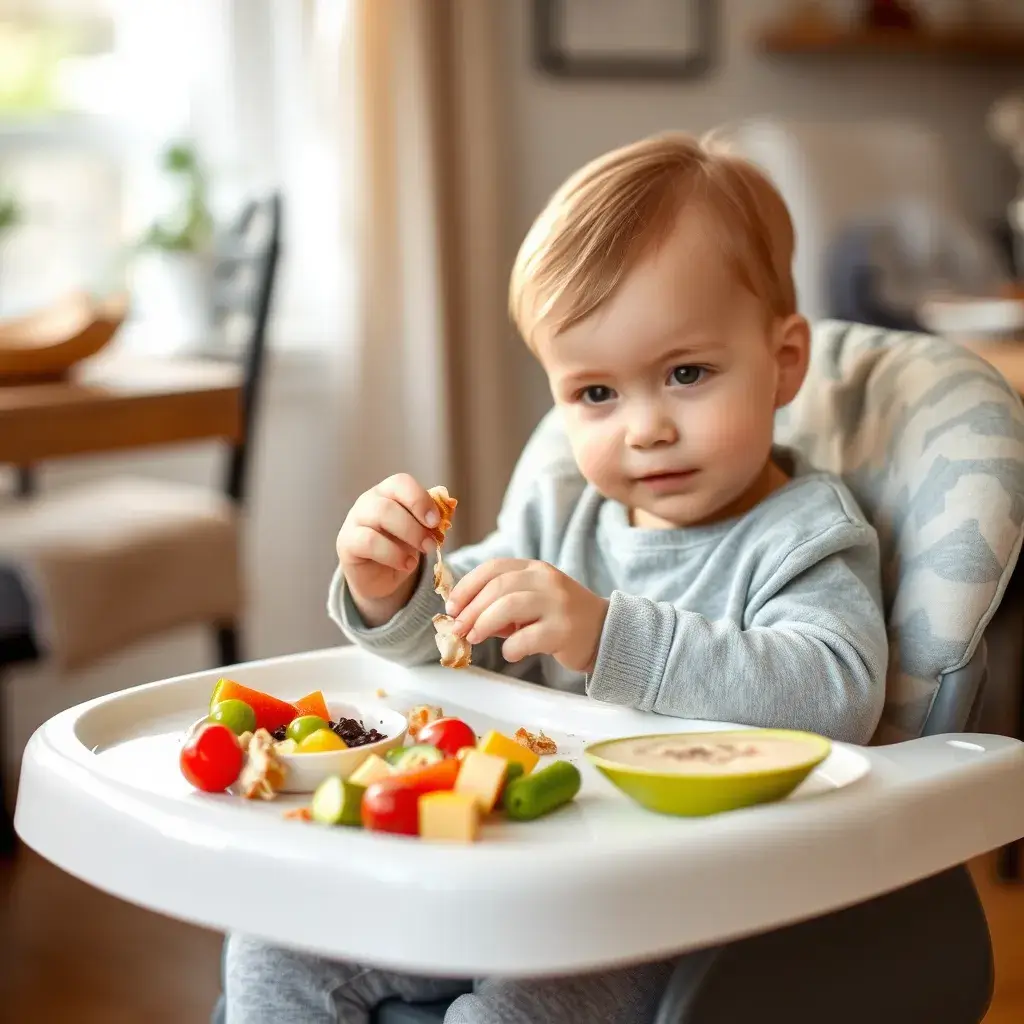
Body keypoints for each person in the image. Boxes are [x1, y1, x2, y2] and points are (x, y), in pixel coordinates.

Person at [223, 131, 888, 1024]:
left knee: (529, 1010)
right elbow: (460, 644)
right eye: (596, 395)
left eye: (686, 373)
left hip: (670, 909)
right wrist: (394, 587)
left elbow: (836, 693)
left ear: (785, 362)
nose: (645, 427)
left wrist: (607, 635)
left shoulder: (805, 534)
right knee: (277, 938)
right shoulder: (562, 514)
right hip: (511, 860)